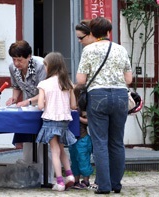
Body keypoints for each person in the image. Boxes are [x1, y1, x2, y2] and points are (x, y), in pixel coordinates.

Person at [76, 17, 132, 194]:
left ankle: (104, 186)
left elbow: (81, 80)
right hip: (121, 96)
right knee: (117, 142)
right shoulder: (121, 49)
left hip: (98, 95)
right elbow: (128, 79)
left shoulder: (89, 50)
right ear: (109, 32)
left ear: (92, 33)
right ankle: (116, 184)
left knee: (100, 142)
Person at [5, 40, 54, 182]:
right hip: (28, 107)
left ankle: (47, 178)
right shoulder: (12, 68)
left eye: (19, 60)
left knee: (43, 144)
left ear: (29, 57)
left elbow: (46, 91)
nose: (16, 63)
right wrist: (14, 98)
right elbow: (17, 86)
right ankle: (31, 177)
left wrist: (29, 101)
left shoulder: (40, 65)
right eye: (14, 59)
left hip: (44, 105)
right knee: (28, 142)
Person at [36, 52, 77, 191]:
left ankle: (59, 181)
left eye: (45, 66)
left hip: (50, 120)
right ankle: (70, 175)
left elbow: (40, 106)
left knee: (54, 151)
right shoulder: (68, 83)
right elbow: (73, 106)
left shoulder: (44, 84)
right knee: (61, 149)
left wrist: (47, 101)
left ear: (50, 66)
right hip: (64, 120)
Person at [69, 20, 98, 190]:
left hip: (83, 134)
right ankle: (78, 179)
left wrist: (79, 117)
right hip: (75, 135)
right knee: (76, 157)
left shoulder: (85, 102)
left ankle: (87, 180)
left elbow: (82, 80)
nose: (79, 41)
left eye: (81, 38)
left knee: (84, 156)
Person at [69, 84, 93, 189]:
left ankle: (86, 180)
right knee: (74, 161)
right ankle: (76, 180)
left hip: (83, 138)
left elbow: (89, 121)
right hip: (73, 139)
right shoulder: (71, 106)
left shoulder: (84, 107)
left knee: (83, 160)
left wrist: (77, 117)